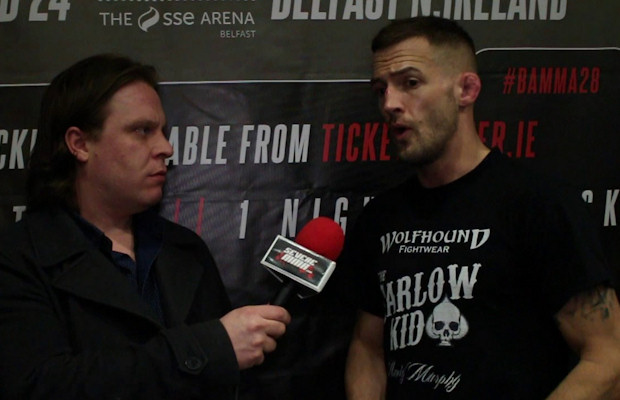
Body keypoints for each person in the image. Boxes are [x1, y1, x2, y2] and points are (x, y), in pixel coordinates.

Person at [343, 16, 620, 399]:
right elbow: (368, 347)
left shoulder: (538, 203)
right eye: (381, 90)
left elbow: (608, 359)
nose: (390, 104)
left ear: (467, 90)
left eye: (410, 83)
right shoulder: (380, 218)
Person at [0, 54, 291, 400]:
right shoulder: (19, 258)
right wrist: (206, 348)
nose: (165, 148)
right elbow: (40, 386)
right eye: (142, 131)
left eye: (162, 132)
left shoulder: (185, 250)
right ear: (80, 144)